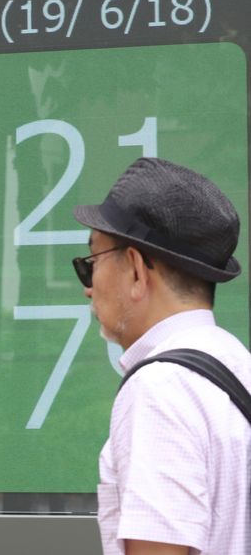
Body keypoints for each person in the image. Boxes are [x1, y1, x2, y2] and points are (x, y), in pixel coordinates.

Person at [71, 158, 251, 555]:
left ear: (135, 269)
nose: (88, 287)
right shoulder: (239, 365)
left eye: (91, 264)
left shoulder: (159, 390)